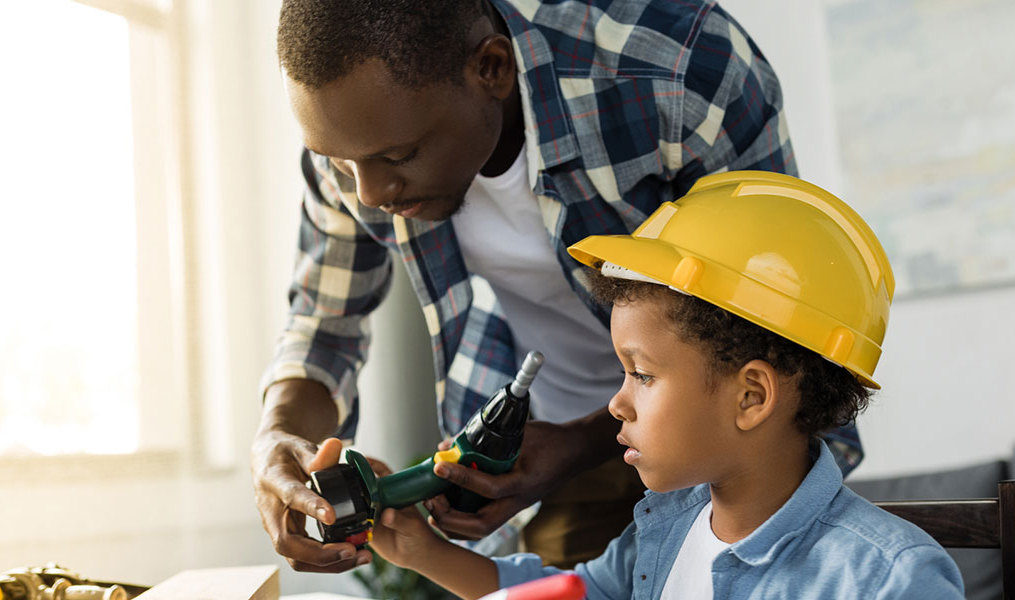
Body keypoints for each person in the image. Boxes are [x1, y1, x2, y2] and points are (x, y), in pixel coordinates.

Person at [256, 0, 863, 573]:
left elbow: (779, 327)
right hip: (561, 461)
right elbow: (324, 326)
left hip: (735, 446)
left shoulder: (680, 70)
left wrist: (583, 441)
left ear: (490, 68)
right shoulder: (356, 142)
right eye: (339, 163)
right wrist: (281, 434)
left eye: (400, 155)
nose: (368, 194)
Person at [331, 170, 964, 599]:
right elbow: (573, 595)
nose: (615, 402)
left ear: (751, 396)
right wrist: (421, 551)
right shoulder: (667, 528)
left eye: (642, 374)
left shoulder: (889, 579)